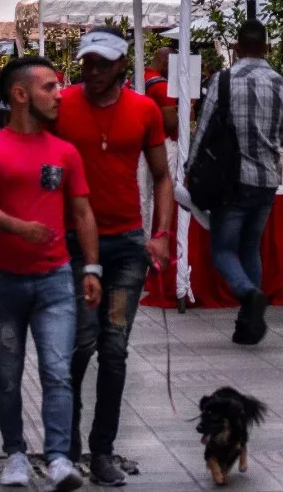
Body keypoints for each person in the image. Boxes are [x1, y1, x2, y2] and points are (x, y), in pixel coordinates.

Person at [0, 56, 101, 491]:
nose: (59, 94)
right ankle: (16, 454)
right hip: (1, 283)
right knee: (7, 372)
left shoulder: (65, 152)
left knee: (57, 371)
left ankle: (59, 457)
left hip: (55, 282)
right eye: (48, 87)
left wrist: (92, 267)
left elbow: (82, 212)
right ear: (20, 94)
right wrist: (22, 227)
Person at [54, 28, 173, 484]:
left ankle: (102, 449)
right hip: (71, 244)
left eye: (103, 64)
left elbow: (162, 176)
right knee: (81, 343)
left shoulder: (144, 111)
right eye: (88, 63)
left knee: (115, 347)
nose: (94, 71)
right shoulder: (61, 106)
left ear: (123, 64)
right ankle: (68, 444)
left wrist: (160, 234)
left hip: (126, 248)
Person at [186, 20, 283, 346]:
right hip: (266, 180)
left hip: (231, 180)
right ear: (267, 47)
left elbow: (204, 128)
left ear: (235, 48)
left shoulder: (224, 80)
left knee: (222, 250)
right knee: (250, 248)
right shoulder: (281, 83)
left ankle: (249, 295)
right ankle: (249, 323)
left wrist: (191, 167)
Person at [145, 47, 178, 140]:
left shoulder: (136, 77)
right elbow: (171, 123)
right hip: (164, 142)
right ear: (167, 63)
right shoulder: (162, 85)